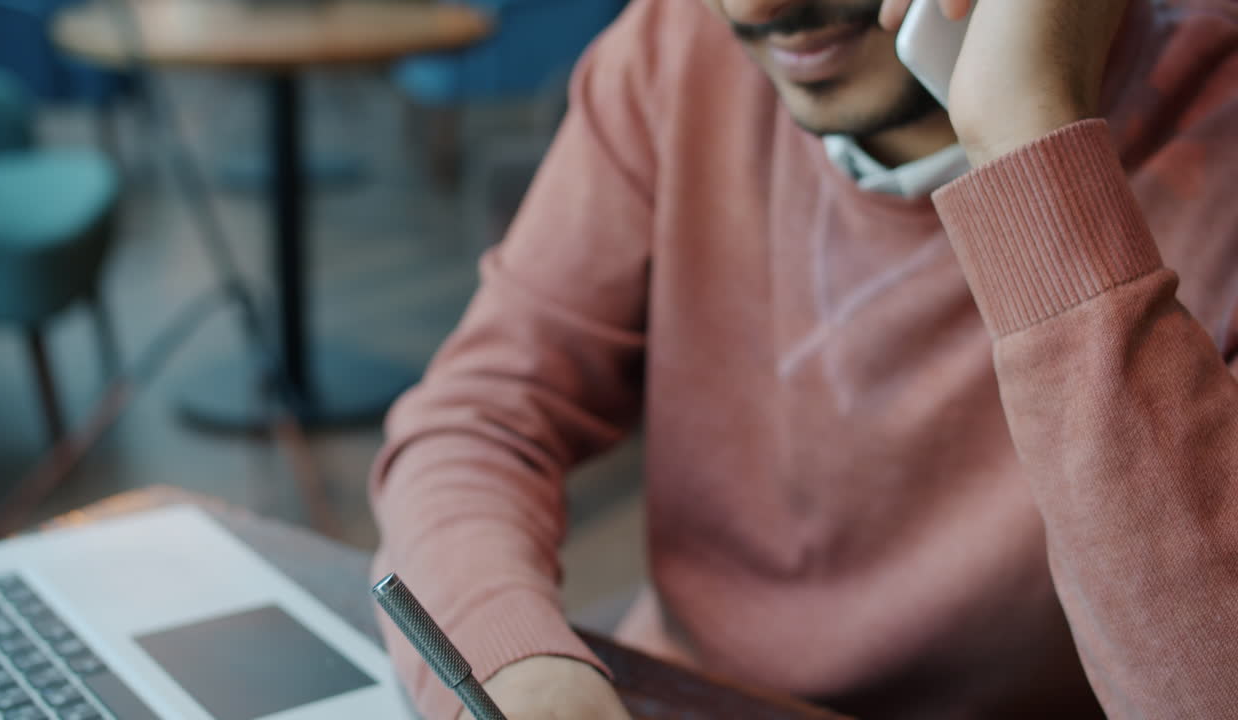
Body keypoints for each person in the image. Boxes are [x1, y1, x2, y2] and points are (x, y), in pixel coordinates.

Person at [369, 0, 1238, 717]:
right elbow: (475, 421)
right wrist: (519, 671)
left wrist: (1026, 138)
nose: (753, 11)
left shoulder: (1216, 121)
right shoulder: (673, 54)